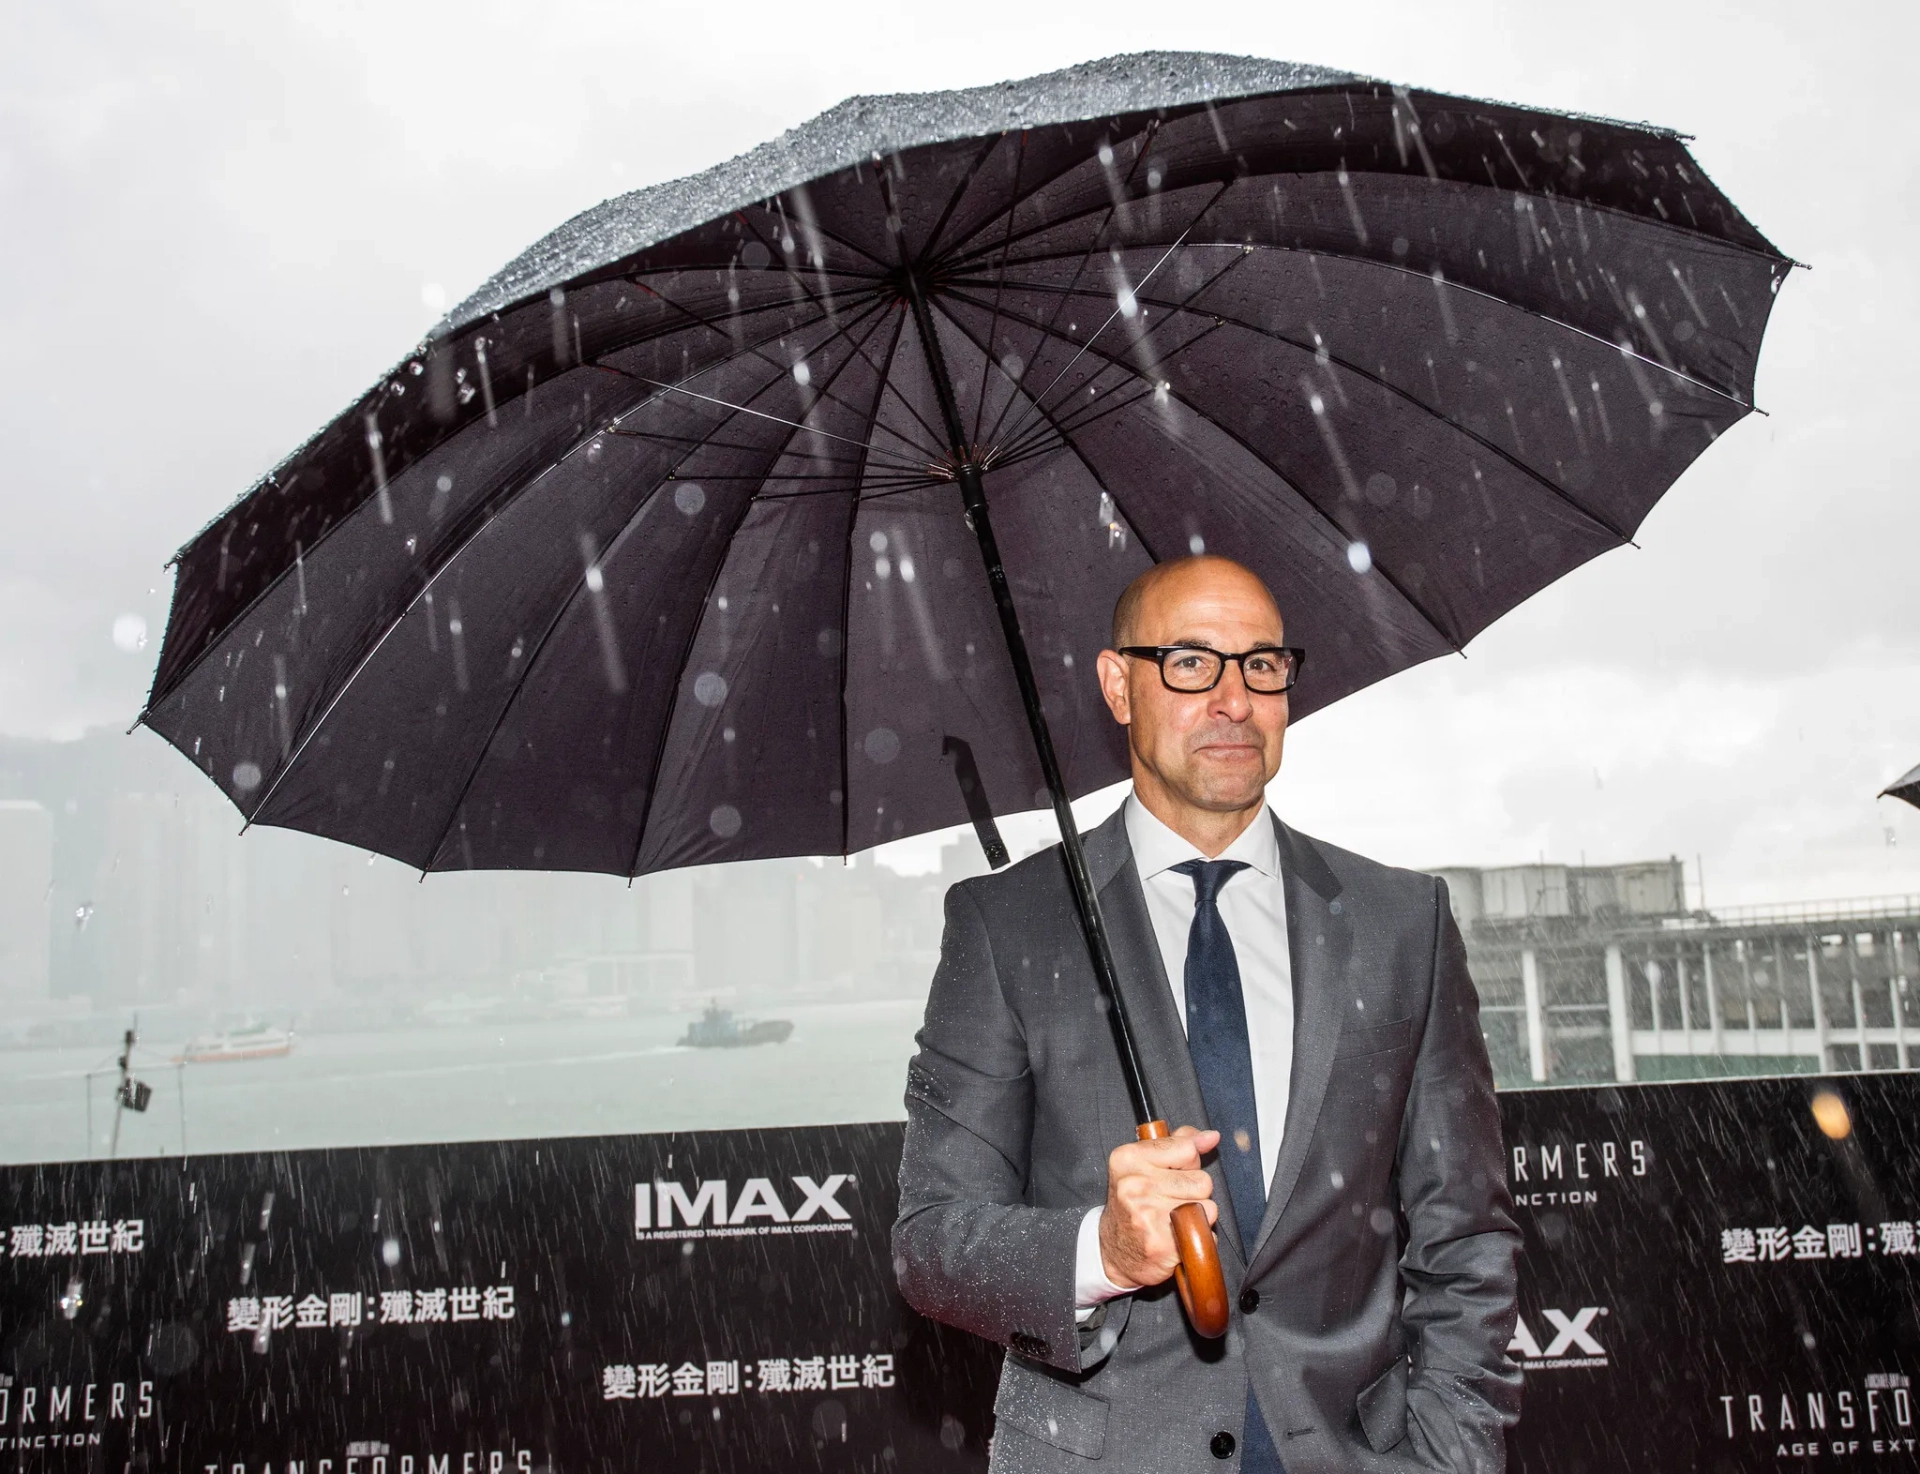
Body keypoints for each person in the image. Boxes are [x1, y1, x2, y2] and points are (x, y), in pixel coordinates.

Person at [893, 555, 1520, 1473]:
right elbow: (933, 1243)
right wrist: (1098, 1250)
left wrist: (1449, 1455)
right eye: (1191, 662)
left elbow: (1464, 1236)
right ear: (1119, 685)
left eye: (1262, 664)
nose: (1235, 699)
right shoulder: (1007, 925)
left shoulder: (1400, 921)